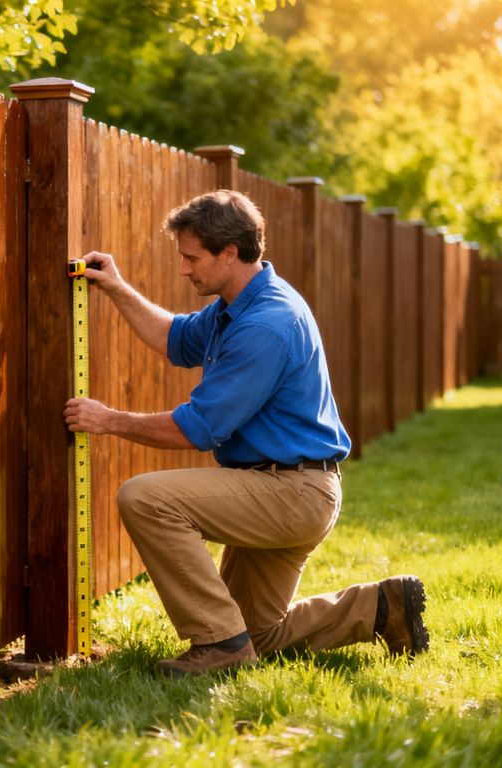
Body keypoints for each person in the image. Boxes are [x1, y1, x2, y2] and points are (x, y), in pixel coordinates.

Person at [63, 189, 429, 677]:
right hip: (290, 485)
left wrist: (108, 420)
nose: (184, 269)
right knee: (258, 633)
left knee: (145, 497)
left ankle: (219, 646)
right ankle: (381, 608)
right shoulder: (237, 305)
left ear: (229, 253)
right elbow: (174, 339)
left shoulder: (266, 324)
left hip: (290, 491)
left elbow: (199, 428)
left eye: (192, 258)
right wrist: (116, 287)